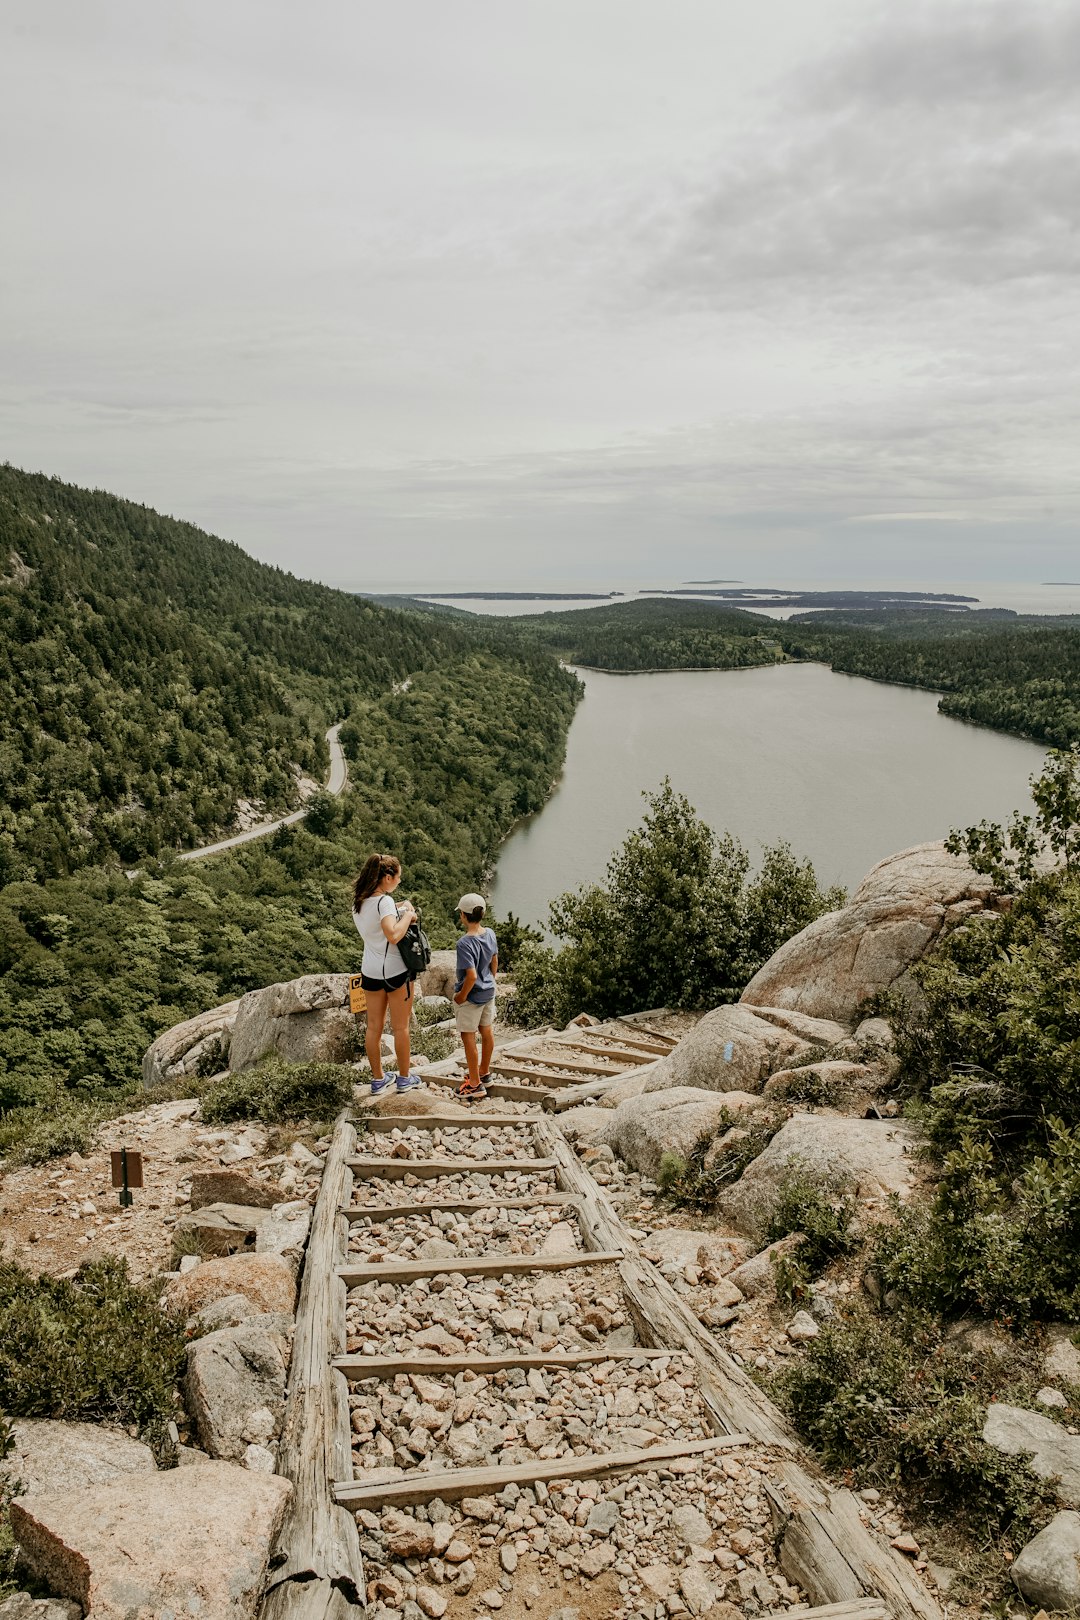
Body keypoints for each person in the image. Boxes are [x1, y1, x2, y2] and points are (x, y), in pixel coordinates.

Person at [352, 853, 424, 1097]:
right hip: (395, 972)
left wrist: (399, 906)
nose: (399, 881)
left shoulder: (359, 901)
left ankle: (378, 1079)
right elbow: (393, 934)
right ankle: (404, 1078)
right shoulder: (384, 902)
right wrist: (409, 915)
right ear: (386, 877)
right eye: (398, 877)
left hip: (370, 971)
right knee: (401, 1027)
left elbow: (379, 918)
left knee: (373, 1027)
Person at [453, 892, 498, 1102]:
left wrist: (461, 996)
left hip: (471, 997)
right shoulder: (489, 933)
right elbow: (494, 960)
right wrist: (490, 979)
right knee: (486, 1031)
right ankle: (483, 1072)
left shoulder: (464, 943)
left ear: (463, 915)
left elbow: (470, 975)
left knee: (468, 1036)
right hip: (488, 991)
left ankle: (473, 1084)